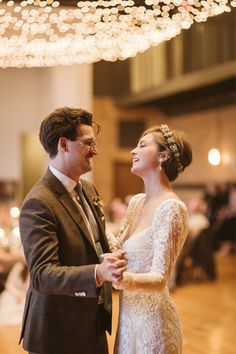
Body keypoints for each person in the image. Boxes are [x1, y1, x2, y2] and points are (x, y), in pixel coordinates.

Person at [19, 107, 126, 354]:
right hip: (58, 333)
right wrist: (98, 273)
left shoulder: (89, 190)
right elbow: (42, 274)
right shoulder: (39, 201)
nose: (96, 151)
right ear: (64, 144)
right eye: (89, 143)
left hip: (93, 323)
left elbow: (97, 245)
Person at [106, 124, 192, 353]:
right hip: (128, 317)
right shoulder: (136, 202)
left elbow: (160, 279)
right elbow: (119, 247)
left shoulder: (172, 208)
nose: (133, 151)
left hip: (153, 322)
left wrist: (120, 279)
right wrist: (94, 220)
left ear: (163, 156)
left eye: (142, 145)